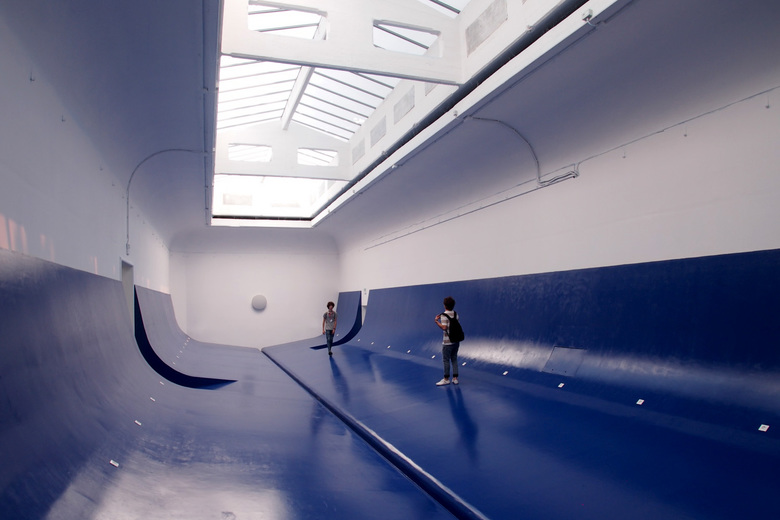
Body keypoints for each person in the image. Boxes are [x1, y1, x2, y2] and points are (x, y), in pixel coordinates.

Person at [434, 296, 460, 385]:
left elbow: (444, 327)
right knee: (454, 359)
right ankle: (455, 378)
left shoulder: (443, 315)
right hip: (456, 341)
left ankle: (446, 379)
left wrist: (437, 322)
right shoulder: (456, 314)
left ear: (445, 305)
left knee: (446, 360)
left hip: (447, 342)